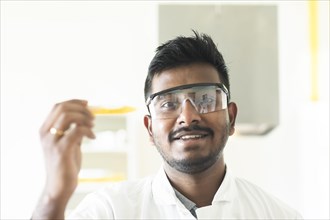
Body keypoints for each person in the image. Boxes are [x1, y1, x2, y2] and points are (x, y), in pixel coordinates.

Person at [32, 31, 302, 219]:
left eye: (205, 99)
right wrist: (54, 195)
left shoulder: (279, 215)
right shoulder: (111, 210)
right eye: (168, 104)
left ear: (231, 116)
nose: (188, 116)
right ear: (149, 128)